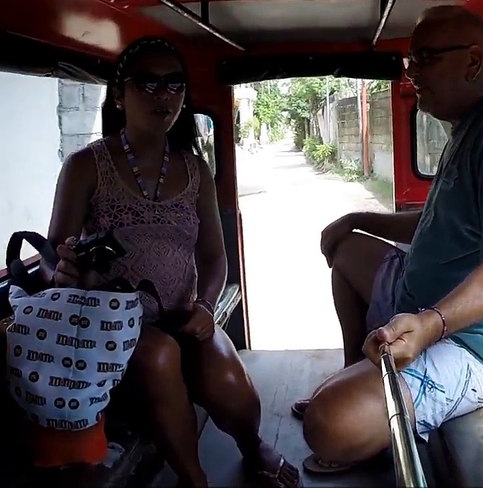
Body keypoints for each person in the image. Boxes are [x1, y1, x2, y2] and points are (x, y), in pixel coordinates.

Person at [295, 5, 483, 473]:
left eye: (424, 58)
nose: (411, 73)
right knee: (346, 249)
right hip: (421, 302)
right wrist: (356, 218)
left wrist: (430, 326)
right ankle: (356, 372)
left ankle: (361, 415)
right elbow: (437, 221)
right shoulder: (469, 125)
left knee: (328, 424)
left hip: (477, 341)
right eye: (409, 60)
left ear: (473, 61)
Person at [42, 37, 300, 488]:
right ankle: (194, 478)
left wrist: (205, 306)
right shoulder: (85, 166)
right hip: (110, 325)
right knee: (159, 354)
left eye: (174, 84)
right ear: (119, 95)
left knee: (231, 389)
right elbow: (51, 259)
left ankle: (251, 445)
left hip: (184, 317)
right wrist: (65, 271)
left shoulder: (196, 170)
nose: (163, 96)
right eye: (148, 83)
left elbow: (215, 258)